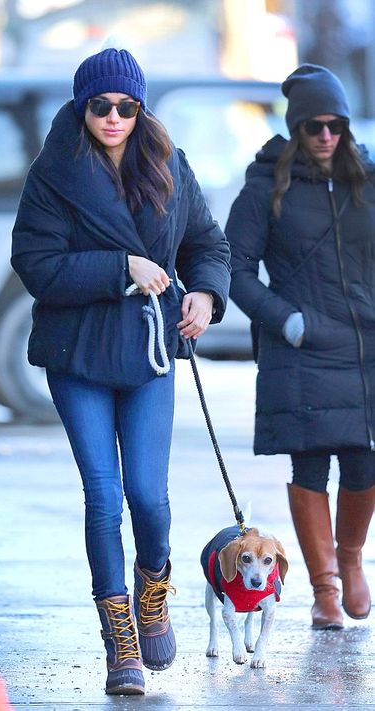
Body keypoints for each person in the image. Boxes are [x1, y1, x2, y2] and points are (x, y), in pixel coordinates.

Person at [11, 47, 231, 695]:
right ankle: (120, 640)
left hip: (148, 350)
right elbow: (36, 264)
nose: (113, 117)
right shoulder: (53, 173)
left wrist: (205, 294)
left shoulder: (169, 164)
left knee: (149, 494)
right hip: (77, 352)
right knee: (104, 495)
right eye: (100, 106)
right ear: (82, 107)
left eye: (126, 106)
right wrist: (121, 267)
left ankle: (154, 585)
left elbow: (206, 243)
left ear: (141, 108)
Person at [225, 63, 375, 632]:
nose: (326, 136)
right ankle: (324, 590)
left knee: (365, 460)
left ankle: (352, 558)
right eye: (314, 126)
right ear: (297, 128)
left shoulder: (368, 179)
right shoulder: (266, 187)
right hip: (302, 346)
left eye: (336, 124)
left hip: (365, 346)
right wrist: (283, 318)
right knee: (311, 462)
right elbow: (234, 268)